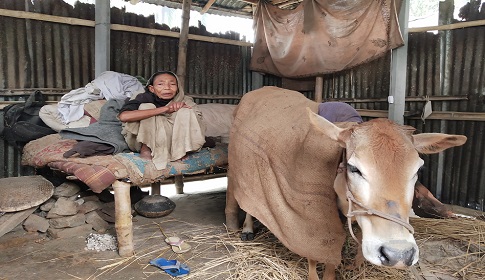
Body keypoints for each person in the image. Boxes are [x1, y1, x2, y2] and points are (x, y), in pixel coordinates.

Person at [118, 71, 206, 170]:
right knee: (146, 107)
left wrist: (182, 108)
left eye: (172, 84)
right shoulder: (142, 97)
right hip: (141, 141)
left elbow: (198, 124)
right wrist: (164, 110)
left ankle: (180, 150)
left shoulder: (184, 100)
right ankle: (146, 149)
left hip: (172, 143)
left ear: (178, 88)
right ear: (152, 88)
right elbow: (124, 117)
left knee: (186, 111)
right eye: (160, 84)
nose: (167, 87)